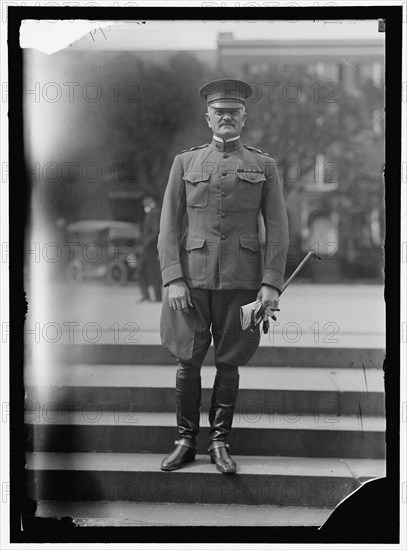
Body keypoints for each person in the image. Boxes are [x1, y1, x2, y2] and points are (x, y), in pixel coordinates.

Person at [157, 79, 289, 474]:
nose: (227, 116)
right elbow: (168, 225)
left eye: (234, 111)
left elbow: (279, 228)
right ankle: (185, 441)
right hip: (192, 282)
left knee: (229, 362)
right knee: (188, 361)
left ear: (244, 117)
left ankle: (219, 443)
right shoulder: (186, 163)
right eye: (220, 111)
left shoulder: (263, 165)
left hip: (243, 281)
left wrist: (271, 282)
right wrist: (172, 277)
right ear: (208, 117)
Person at [137, 195, 162, 302]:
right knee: (150, 272)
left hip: (150, 249)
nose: (145, 207)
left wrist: (146, 244)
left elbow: (155, 232)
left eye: (146, 205)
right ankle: (153, 296)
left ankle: (152, 296)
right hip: (148, 248)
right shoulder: (152, 213)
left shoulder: (155, 213)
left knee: (147, 271)